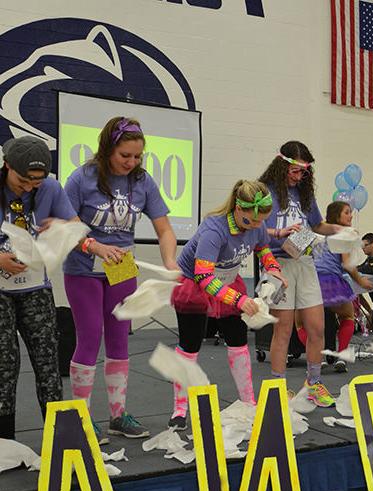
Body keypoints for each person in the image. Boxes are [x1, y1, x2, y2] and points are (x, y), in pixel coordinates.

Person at [64, 116, 178, 442]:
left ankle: (118, 415)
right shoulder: (82, 179)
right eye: (124, 156)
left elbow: (165, 228)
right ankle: (82, 418)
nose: (131, 162)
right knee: (89, 337)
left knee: (119, 340)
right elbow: (65, 227)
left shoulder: (142, 182)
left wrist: (169, 260)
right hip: (83, 270)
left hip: (122, 271)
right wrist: (95, 246)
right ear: (107, 150)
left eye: (137, 156)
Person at [169, 180, 286, 429]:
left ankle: (248, 401)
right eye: (251, 221)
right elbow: (203, 277)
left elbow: (263, 248)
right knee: (189, 346)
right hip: (195, 284)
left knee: (238, 341)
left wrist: (274, 269)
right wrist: (239, 300)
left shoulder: (257, 225)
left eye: (260, 222)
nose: (256, 226)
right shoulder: (214, 231)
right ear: (238, 209)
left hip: (228, 280)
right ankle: (179, 409)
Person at [0, 136, 78, 439]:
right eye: (23, 180)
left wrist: (63, 230)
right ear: (7, 166)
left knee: (48, 361)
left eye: (37, 181)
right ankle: (5, 444)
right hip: (1, 290)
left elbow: (73, 226)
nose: (30, 187)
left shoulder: (52, 188)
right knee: (5, 365)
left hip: (35, 287)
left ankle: (58, 441)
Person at [261, 141, 342, 406]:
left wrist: (341, 230)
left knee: (317, 327)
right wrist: (280, 234)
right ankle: (277, 385)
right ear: (281, 165)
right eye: (294, 171)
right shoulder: (266, 192)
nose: (299, 177)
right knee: (283, 329)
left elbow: (318, 225)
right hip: (277, 263)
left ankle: (314, 382)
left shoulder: (304, 195)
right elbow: (256, 231)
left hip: (304, 262)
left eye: (303, 172)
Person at [312, 201, 373, 373]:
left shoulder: (321, 235)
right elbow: (347, 265)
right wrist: (361, 281)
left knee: (305, 323)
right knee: (347, 316)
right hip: (330, 281)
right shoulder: (343, 235)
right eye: (347, 212)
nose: (351, 215)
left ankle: (318, 358)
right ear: (337, 216)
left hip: (312, 281)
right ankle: (341, 356)